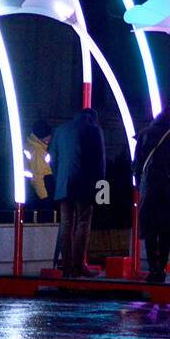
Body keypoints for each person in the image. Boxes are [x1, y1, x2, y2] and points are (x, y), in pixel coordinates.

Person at [134, 108, 170, 283]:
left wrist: (139, 185)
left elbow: (136, 164)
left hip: (148, 189)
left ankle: (151, 269)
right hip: (169, 191)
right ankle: (162, 269)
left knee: (150, 230)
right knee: (165, 232)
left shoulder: (143, 134)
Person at [52, 108, 107, 278]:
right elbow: (100, 162)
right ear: (93, 118)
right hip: (85, 185)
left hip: (63, 185)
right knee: (83, 223)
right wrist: (102, 192)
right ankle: (77, 266)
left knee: (66, 225)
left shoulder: (61, 130)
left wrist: (58, 178)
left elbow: (52, 158)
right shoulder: (94, 130)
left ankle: (66, 268)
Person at [24, 118, 54, 203]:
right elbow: (37, 176)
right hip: (40, 189)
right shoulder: (38, 151)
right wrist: (44, 197)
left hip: (29, 187)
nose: (50, 138)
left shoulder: (29, 145)